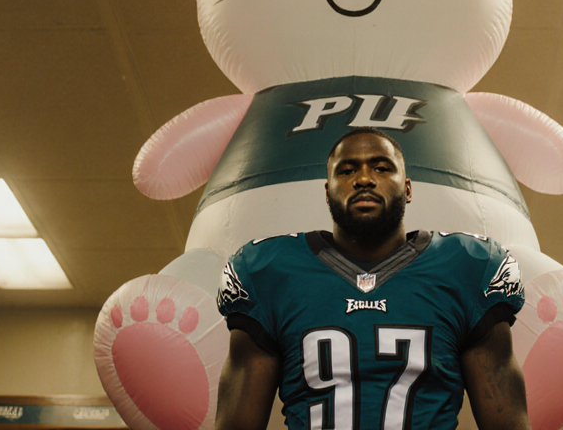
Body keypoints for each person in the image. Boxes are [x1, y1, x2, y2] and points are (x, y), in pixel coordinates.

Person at [214, 127, 531, 430]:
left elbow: (506, 424)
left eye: (381, 168)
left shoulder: (466, 268)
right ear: (328, 192)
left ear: (407, 189)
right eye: (347, 170)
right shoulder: (271, 272)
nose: (364, 179)